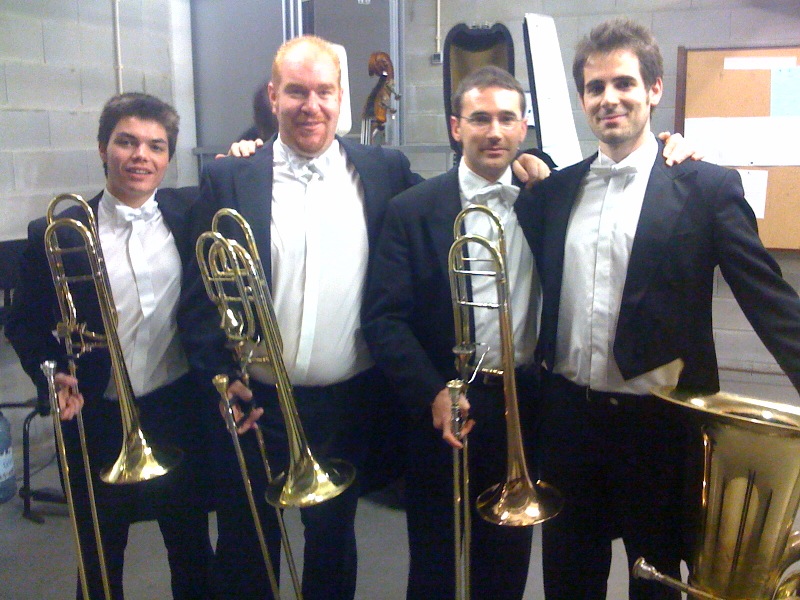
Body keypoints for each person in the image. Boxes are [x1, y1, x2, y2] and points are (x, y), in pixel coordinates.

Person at [514, 18, 800, 600]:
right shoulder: (555, 193)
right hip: (569, 425)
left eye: (623, 83)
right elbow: (503, 175)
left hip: (661, 431)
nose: (608, 99)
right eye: (595, 88)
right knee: (568, 583)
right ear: (582, 99)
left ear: (654, 89)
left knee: (659, 585)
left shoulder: (705, 188)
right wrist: (531, 155)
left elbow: (770, 300)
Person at [178, 34, 426, 600]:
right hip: (254, 401)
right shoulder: (227, 178)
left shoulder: (384, 170)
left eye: (323, 91)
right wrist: (221, 378)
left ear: (341, 97)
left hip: (345, 401)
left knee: (334, 545)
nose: (309, 105)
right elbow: (198, 301)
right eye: (295, 91)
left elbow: (451, 201)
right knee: (246, 543)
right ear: (273, 96)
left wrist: (535, 166)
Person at [6, 92, 213, 599]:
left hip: (177, 406)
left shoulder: (191, 216)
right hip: (95, 415)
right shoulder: (57, 232)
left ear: (168, 157)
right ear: (103, 149)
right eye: (127, 142)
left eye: (156, 145)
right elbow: (25, 325)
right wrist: (51, 374)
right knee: (100, 552)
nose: (141, 155)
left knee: (190, 544)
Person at [362, 65, 553, 600]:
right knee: (434, 560)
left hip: (523, 402)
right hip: (446, 406)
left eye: (507, 119)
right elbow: (384, 317)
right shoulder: (412, 210)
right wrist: (432, 390)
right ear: (455, 127)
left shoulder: (546, 198)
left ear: (523, 128)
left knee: (507, 558)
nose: (494, 131)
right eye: (480, 118)